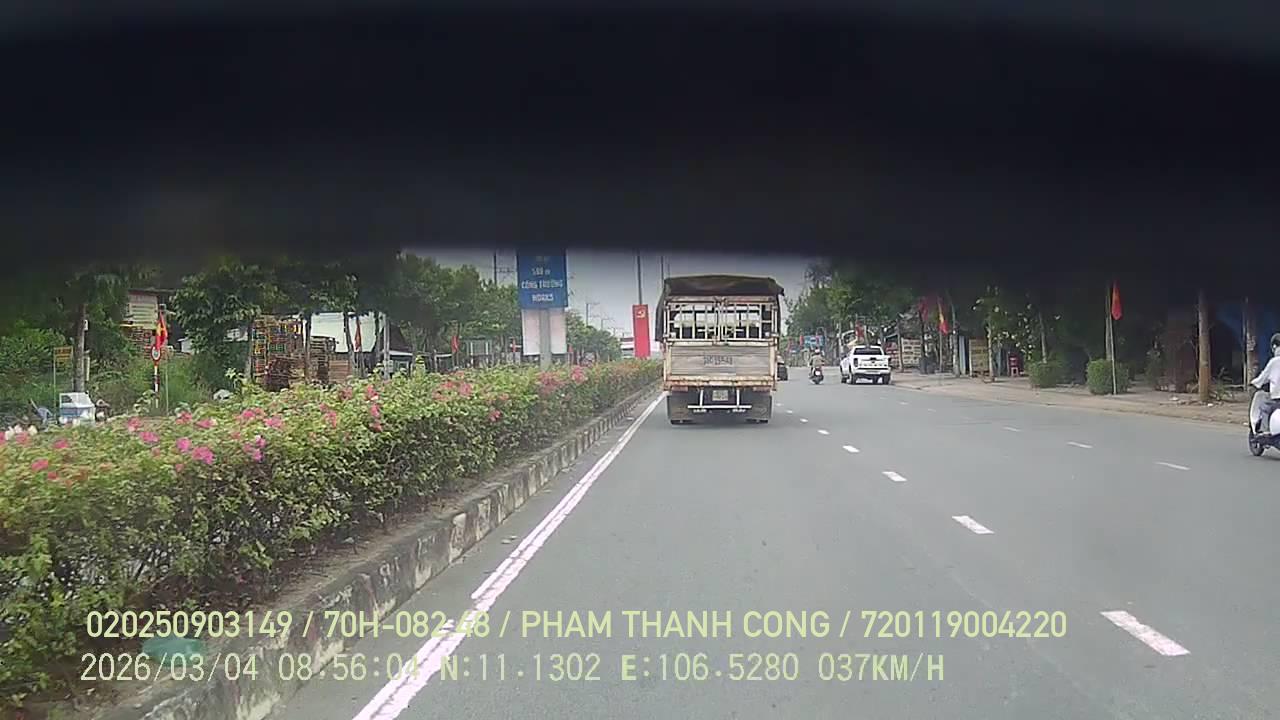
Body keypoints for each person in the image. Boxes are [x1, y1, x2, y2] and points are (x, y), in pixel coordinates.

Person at [1250, 333, 1280, 431]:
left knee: (1264, 407)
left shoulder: (1274, 362)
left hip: (1276, 400)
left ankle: (1264, 430)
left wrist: (1253, 383)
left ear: (1274, 347)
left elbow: (1263, 377)